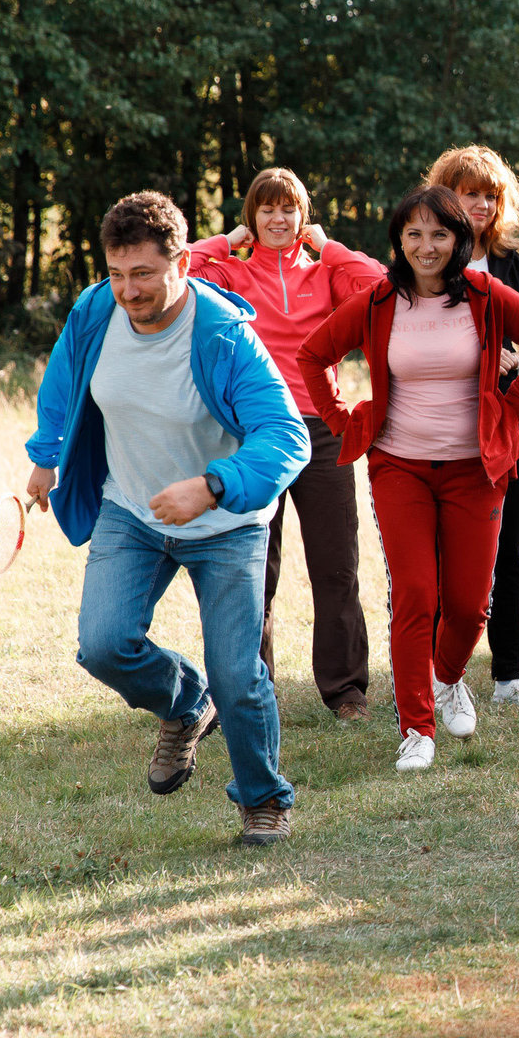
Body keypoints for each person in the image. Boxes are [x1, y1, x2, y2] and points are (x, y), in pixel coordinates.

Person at [23, 191, 310, 845]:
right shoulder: (97, 310)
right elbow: (65, 380)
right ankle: (185, 704)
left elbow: (285, 435)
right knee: (103, 643)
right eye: (118, 274)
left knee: (239, 675)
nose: (129, 290)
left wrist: (213, 485)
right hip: (133, 509)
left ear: (181, 261)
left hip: (226, 525)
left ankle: (263, 799)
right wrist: (47, 455)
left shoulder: (222, 335)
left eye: (144, 274)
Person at [296, 185, 519, 771]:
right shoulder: (378, 301)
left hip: (476, 470)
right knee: (417, 594)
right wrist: (344, 421)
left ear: (458, 240)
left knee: (470, 606)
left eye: (439, 234)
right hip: (400, 467)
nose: (426, 246)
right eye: (414, 234)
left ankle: (448, 679)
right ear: (399, 240)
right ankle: (417, 728)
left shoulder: (486, 295)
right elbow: (313, 355)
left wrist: (510, 410)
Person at [187, 168, 386, 721]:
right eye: (266, 210)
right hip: (252, 434)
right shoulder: (229, 274)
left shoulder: (325, 274)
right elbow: (181, 268)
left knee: (336, 565)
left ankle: (346, 692)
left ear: (304, 217)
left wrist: (329, 246)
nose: (278, 219)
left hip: (322, 431)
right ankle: (250, 692)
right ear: (252, 218)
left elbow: (378, 289)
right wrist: (227, 241)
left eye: (289, 209)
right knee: (252, 569)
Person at [425, 145, 519, 710]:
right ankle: (432, 675)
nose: (479, 204)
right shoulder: (425, 259)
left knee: (508, 549)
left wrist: (513, 359)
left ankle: (507, 676)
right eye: (467, 192)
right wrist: (483, 354)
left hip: (505, 426)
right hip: (437, 428)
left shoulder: (509, 262)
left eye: (489, 195)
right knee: (438, 557)